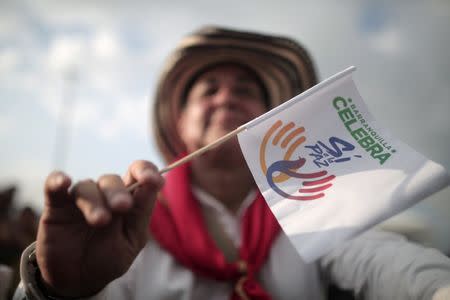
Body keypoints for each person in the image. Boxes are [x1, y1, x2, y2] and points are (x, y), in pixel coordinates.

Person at [14, 26, 450, 300]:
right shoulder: (127, 222)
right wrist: (53, 291)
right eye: (209, 89)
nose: (226, 97)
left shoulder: (310, 206)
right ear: (180, 123)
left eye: (245, 89)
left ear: (271, 118)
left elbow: (382, 261)